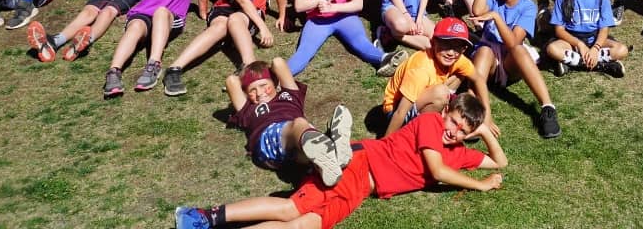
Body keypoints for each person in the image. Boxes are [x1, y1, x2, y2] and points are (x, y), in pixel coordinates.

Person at [173, 94, 505, 229]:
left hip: (362, 189)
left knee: (303, 226)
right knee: (291, 209)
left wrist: (484, 130)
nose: (453, 131)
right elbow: (437, 170)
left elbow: (498, 161)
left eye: (462, 130)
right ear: (445, 112)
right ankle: (202, 216)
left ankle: (332, 154)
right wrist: (480, 185)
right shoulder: (431, 123)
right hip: (362, 163)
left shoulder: (457, 152)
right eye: (454, 121)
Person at [469, 0, 561, 139]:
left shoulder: (527, 7)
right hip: (488, 59)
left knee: (519, 49)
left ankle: (547, 108)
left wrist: (496, 17)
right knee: (484, 50)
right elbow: (477, 11)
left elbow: (512, 43)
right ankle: (476, 112)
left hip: (509, 61)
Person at [223, 58, 346, 181]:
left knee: (304, 152)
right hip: (267, 140)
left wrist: (269, 73)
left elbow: (278, 62)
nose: (259, 93)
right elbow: (231, 81)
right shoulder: (248, 110)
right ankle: (332, 146)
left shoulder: (290, 96)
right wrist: (245, 78)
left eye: (263, 86)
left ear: (275, 83)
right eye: (252, 90)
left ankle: (327, 164)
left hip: (294, 147)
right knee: (300, 124)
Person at [381, 17, 495, 137]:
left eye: (457, 47)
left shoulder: (458, 59)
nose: (451, 52)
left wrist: (487, 116)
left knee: (459, 75)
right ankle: (419, 132)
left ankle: (442, 115)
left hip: (422, 95)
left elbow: (479, 80)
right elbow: (400, 112)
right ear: (433, 42)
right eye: (446, 44)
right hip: (396, 109)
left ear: (463, 49)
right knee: (441, 93)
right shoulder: (420, 69)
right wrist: (386, 143)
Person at [544, 0, 629, 77]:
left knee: (622, 50)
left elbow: (604, 29)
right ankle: (601, 65)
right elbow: (559, 30)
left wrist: (595, 48)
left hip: (594, 39)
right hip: (571, 41)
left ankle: (574, 62)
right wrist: (579, 45)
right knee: (552, 49)